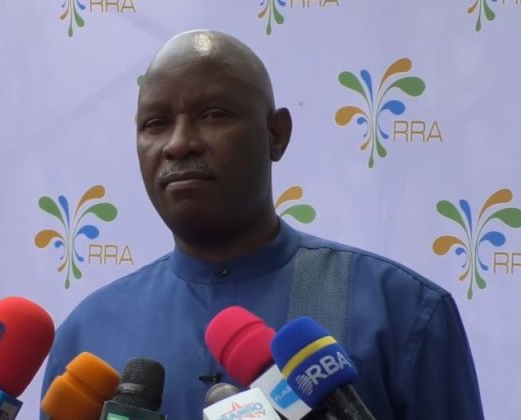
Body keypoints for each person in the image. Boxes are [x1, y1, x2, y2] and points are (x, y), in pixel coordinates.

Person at [42, 29, 484, 419]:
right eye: (156, 124)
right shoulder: (87, 334)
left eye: (213, 114)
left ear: (276, 134)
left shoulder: (400, 308)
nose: (178, 144)